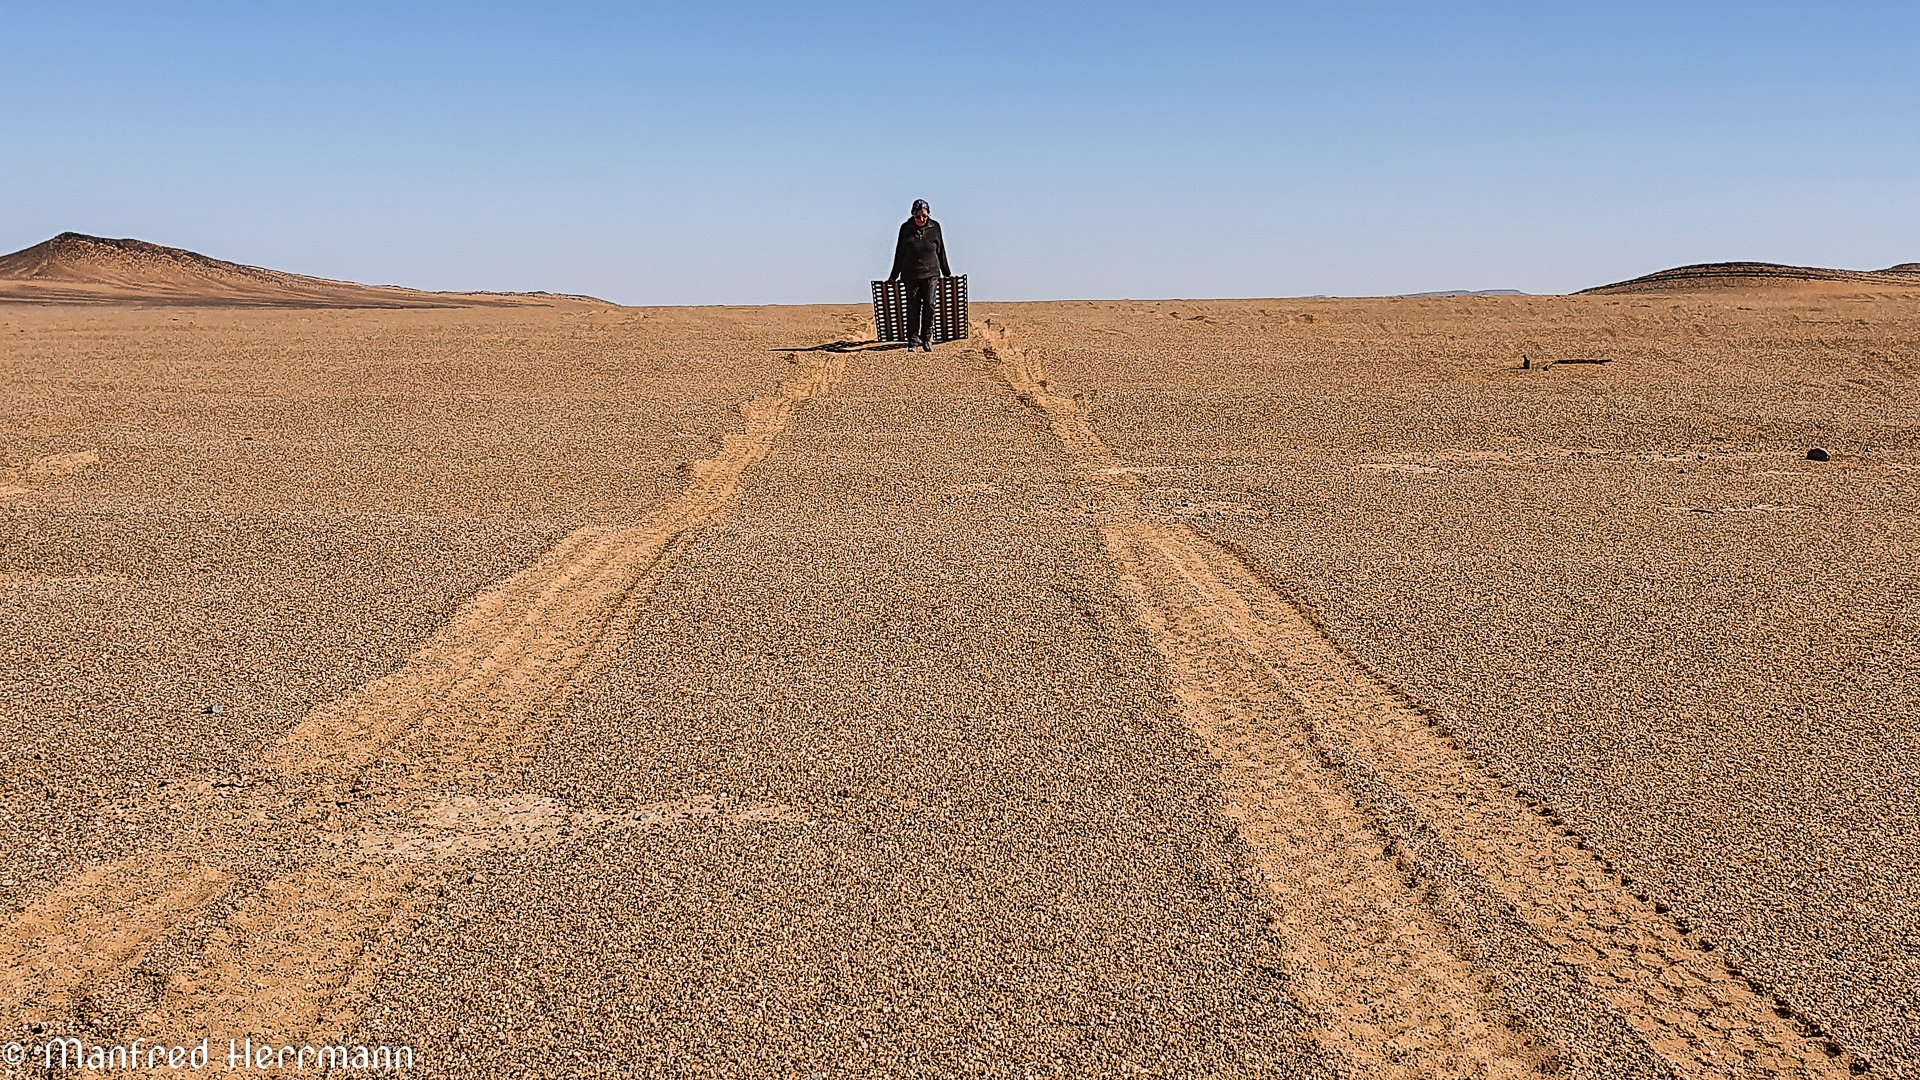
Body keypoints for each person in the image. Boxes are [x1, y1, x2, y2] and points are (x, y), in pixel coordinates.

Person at [887, 198, 951, 351]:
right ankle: (913, 340)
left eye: (924, 216)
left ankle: (927, 337)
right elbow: (899, 252)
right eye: (918, 216)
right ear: (913, 215)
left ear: (928, 214)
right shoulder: (905, 228)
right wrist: (893, 275)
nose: (921, 219)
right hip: (911, 274)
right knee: (913, 307)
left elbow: (941, 250)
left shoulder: (935, 227)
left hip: (932, 273)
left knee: (929, 304)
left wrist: (946, 272)